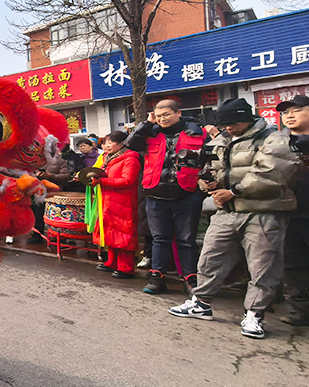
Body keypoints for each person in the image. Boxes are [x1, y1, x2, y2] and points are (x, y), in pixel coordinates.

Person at [168, 98, 298, 339]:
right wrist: (208, 183)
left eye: (233, 123)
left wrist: (234, 191)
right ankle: (201, 302)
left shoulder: (274, 138)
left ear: (246, 118)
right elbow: (213, 169)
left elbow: (271, 174)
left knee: (262, 265)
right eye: (224, 123)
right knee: (210, 257)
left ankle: (255, 314)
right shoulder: (221, 141)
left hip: (263, 213)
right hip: (227, 210)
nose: (228, 128)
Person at [126, 99, 207, 294]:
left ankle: (190, 277)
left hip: (186, 194)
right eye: (158, 115)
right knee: (159, 239)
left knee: (186, 240)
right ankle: (157, 277)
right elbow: (131, 145)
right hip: (156, 195)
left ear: (178, 113)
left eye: (166, 114)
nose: (162, 119)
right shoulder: (150, 133)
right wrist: (147, 123)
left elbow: (209, 159)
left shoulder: (196, 132)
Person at [88, 131, 141, 278]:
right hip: (107, 200)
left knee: (125, 233)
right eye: (105, 143)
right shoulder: (106, 158)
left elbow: (128, 180)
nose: (106, 146)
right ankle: (112, 262)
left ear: (122, 143)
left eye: (110, 142)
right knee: (111, 232)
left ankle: (126, 267)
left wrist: (102, 182)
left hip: (124, 201)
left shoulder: (131, 158)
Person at [276, 95, 309, 326]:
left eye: (296, 110)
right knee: (293, 262)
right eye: (285, 112)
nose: (289, 115)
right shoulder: (278, 143)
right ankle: (300, 308)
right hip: (289, 211)